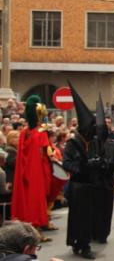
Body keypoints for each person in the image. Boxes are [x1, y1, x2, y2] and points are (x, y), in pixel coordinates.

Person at [62, 83, 101, 259]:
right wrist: (82, 167)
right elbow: (67, 163)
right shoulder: (72, 144)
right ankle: (80, 244)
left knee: (89, 218)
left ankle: (84, 242)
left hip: (91, 185)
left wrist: (98, 164)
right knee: (78, 217)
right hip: (78, 186)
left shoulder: (93, 143)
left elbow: (99, 158)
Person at [10, 96, 51, 241]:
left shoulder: (23, 133)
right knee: (36, 199)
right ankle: (36, 231)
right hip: (36, 171)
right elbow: (47, 153)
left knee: (26, 200)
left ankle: (27, 230)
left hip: (24, 170)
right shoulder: (40, 132)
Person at [90, 96, 114, 244]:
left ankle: (103, 233)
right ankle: (93, 232)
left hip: (107, 180)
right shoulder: (91, 142)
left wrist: (112, 166)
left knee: (105, 208)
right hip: (93, 181)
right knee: (93, 208)